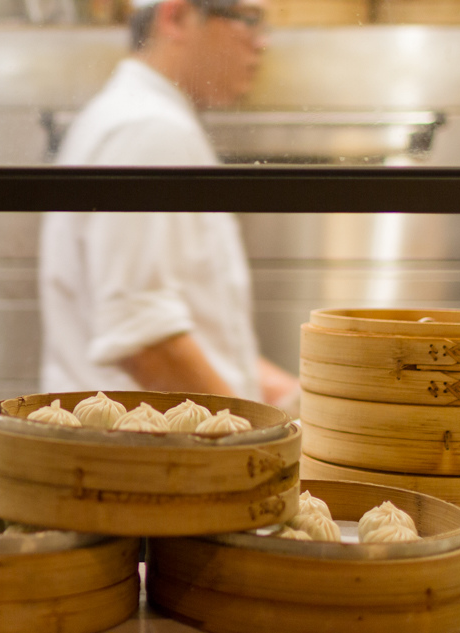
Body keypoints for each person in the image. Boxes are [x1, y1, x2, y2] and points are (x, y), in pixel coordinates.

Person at [38, 0, 300, 413]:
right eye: (248, 19)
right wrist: (261, 439)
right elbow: (145, 341)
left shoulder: (144, 119)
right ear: (175, 17)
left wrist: (302, 401)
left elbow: (195, 332)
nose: (262, 42)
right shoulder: (150, 131)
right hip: (146, 459)